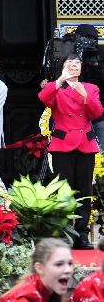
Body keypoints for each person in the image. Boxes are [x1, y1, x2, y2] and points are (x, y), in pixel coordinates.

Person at [39, 54, 103, 249]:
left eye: (77, 64)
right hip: (63, 144)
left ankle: (82, 235)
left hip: (85, 144)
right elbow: (44, 98)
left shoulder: (91, 88)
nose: (74, 66)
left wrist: (84, 94)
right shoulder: (56, 87)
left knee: (84, 191)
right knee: (64, 191)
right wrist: (59, 80)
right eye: (70, 64)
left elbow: (97, 112)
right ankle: (66, 233)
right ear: (63, 67)